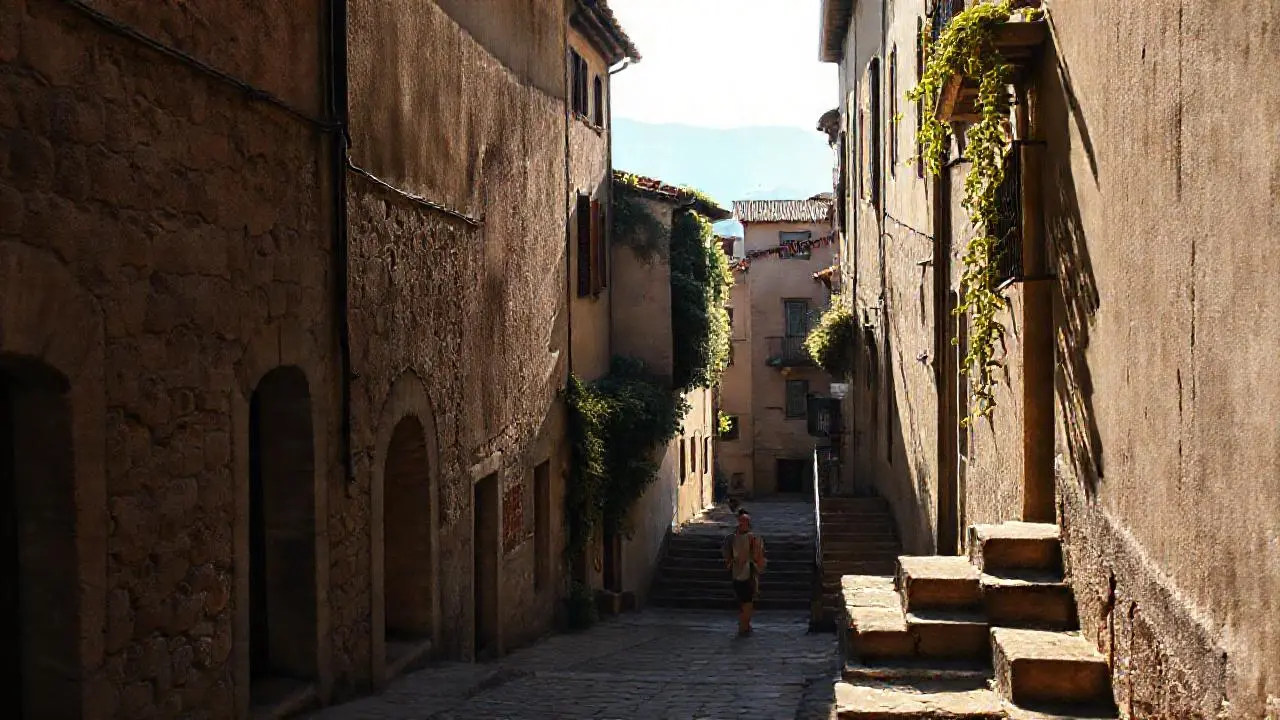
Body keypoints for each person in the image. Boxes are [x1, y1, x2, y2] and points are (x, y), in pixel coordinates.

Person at [722, 509, 767, 636]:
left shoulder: (731, 538)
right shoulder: (753, 538)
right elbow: (758, 555)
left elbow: (727, 557)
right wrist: (760, 566)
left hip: (737, 573)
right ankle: (744, 627)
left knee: (743, 602)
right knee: (747, 603)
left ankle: (745, 625)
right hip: (748, 573)